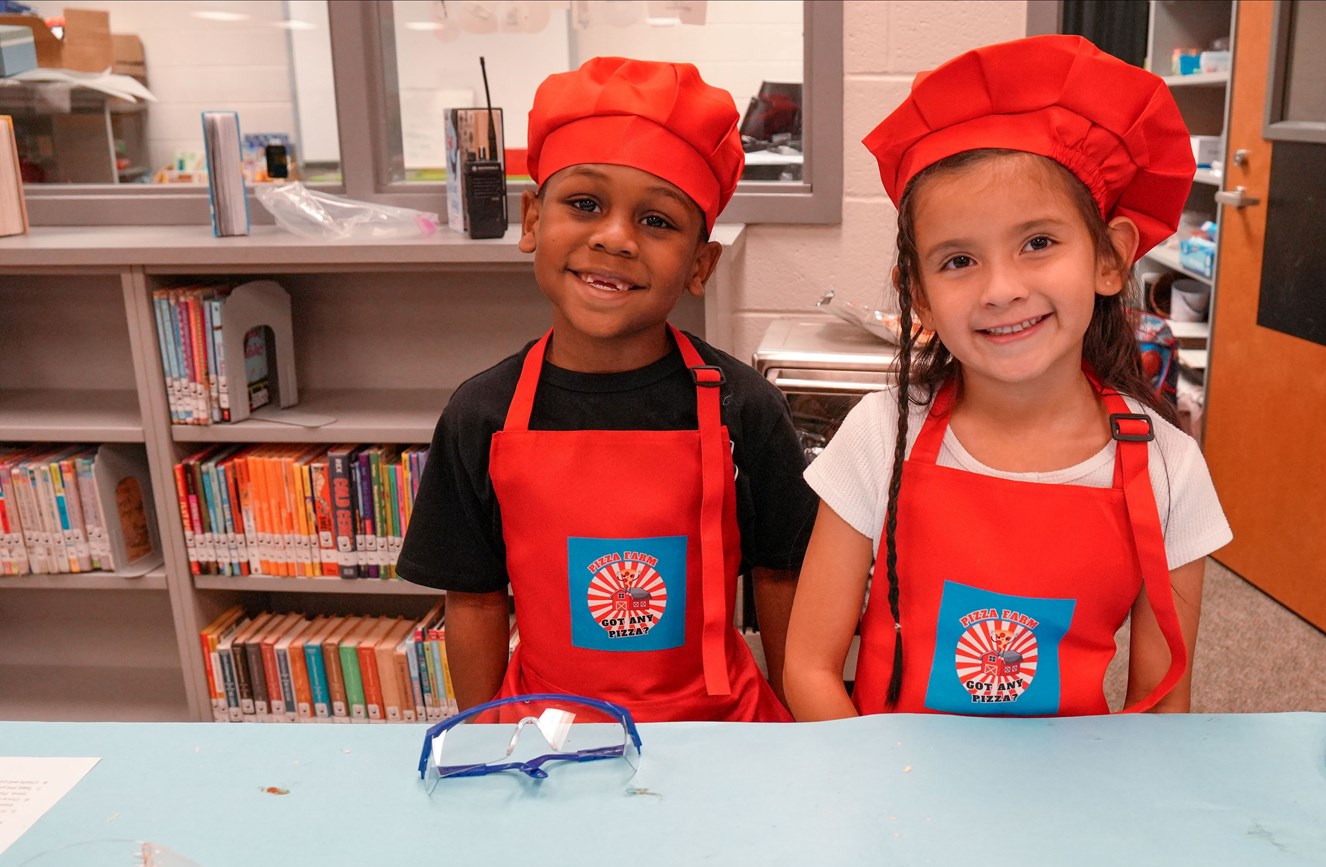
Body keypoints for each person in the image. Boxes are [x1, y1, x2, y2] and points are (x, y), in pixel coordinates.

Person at [785, 35, 1232, 720]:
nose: (1000, 289)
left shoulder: (1171, 468)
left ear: (1110, 260)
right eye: (958, 260)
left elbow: (1161, 704)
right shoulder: (879, 436)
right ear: (921, 296)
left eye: (1038, 243)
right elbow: (810, 668)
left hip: (1073, 797)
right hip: (886, 790)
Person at [398, 57, 816, 723]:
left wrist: (806, 738)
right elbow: (475, 598)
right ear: (532, 221)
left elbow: (780, 575)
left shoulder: (745, 408)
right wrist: (479, 736)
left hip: (719, 734)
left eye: (657, 221)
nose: (615, 238)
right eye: (585, 204)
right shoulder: (482, 414)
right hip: (544, 735)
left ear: (700, 264)